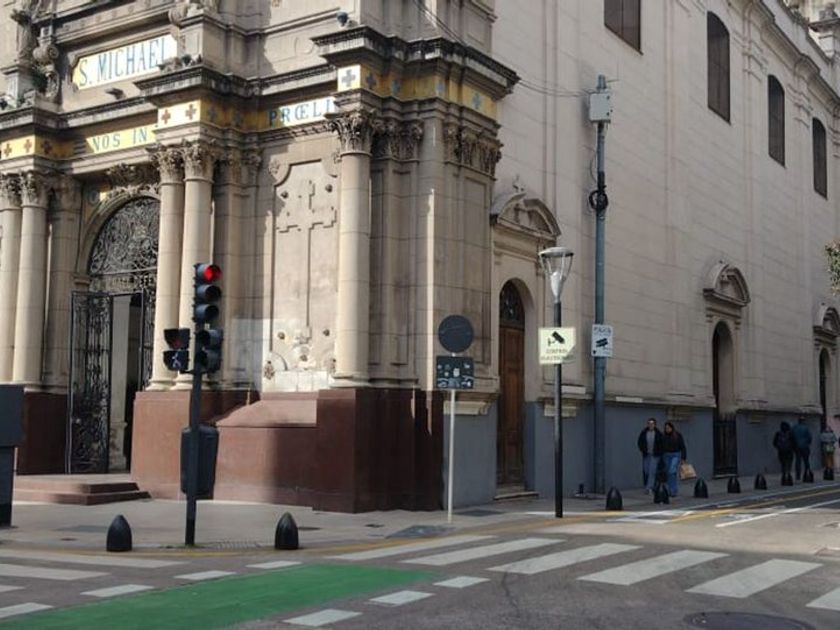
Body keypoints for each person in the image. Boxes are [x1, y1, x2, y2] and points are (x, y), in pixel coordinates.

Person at [636, 417, 663, 493]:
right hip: (646, 454)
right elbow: (640, 442)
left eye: (652, 423)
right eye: (649, 423)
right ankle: (652, 485)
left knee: (652, 471)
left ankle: (649, 488)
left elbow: (661, 443)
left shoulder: (658, 433)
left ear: (655, 425)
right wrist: (642, 449)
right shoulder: (644, 433)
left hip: (655, 455)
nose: (650, 425)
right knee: (646, 470)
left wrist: (659, 452)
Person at [661, 422, 686, 497]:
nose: (667, 429)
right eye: (666, 428)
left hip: (675, 454)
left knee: (672, 471)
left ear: (672, 428)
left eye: (668, 428)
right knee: (669, 473)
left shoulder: (677, 435)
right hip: (666, 455)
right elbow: (661, 446)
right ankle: (670, 489)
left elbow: (682, 447)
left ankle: (673, 490)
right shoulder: (663, 436)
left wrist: (683, 458)